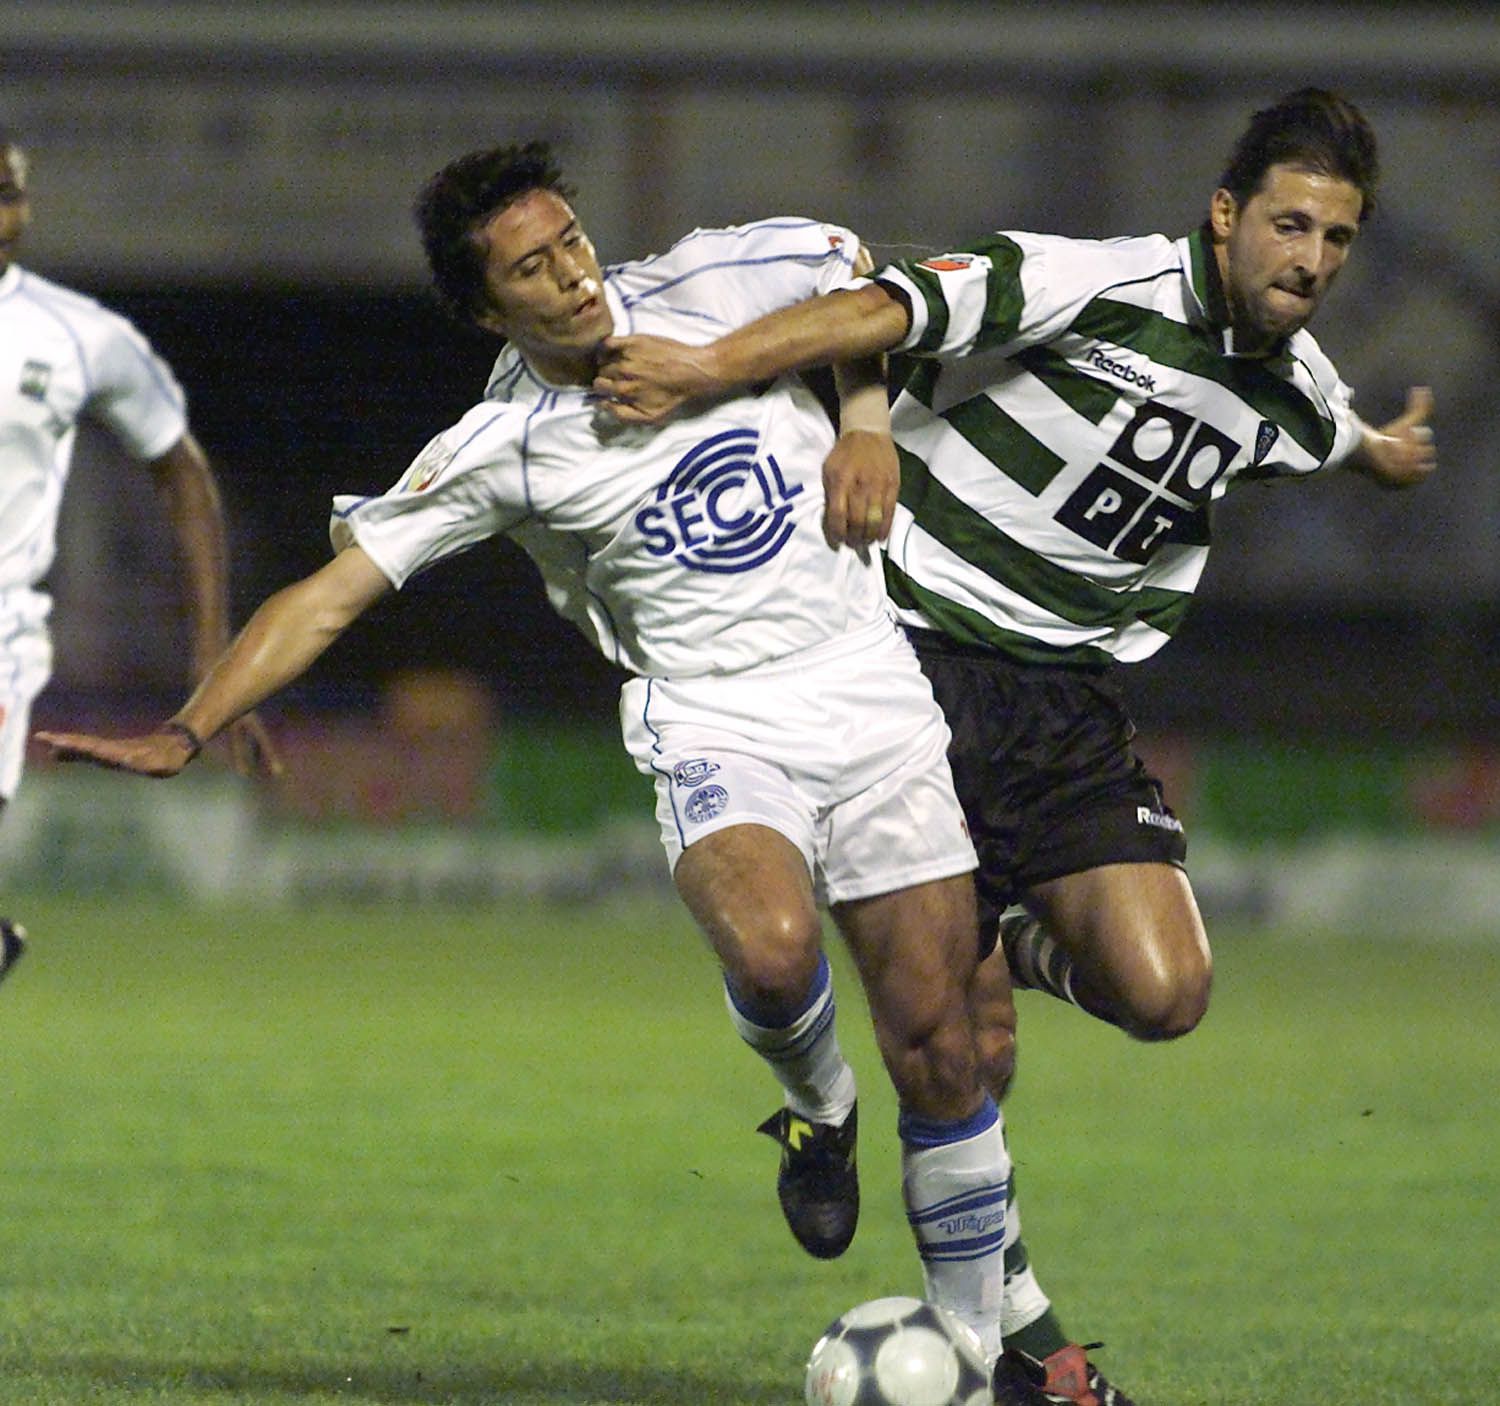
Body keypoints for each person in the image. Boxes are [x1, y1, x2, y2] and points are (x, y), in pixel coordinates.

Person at [34, 141, 1057, 1385]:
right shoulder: (505, 444)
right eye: (532, 267)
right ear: (483, 307)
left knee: (944, 1048)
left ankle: (974, 1356)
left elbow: (862, 290)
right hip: (713, 716)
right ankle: (822, 1106)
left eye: (570, 240)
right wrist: (189, 723)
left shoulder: (720, 282)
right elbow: (329, 597)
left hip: (869, 686)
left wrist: (863, 423)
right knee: (778, 947)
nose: (572, 275)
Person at [591, 86, 1437, 1404]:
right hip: (910, 661)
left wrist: (1388, 451)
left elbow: (1344, 438)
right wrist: (712, 368)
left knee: (1166, 993)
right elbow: (883, 305)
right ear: (1225, 217)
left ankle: (1017, 942)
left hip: (1067, 710)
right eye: (1289, 225)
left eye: (1336, 239)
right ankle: (1007, 1352)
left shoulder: (1299, 392)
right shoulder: (1088, 281)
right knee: (960, 1059)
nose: (1311, 260)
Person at [0, 127, 278, 986]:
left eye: (11, 192)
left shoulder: (77, 336)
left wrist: (212, 659)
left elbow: (182, 472)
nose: (5, 212)